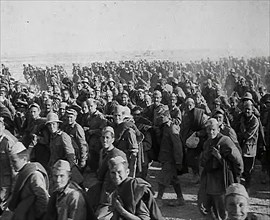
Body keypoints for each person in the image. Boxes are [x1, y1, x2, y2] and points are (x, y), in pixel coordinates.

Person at [200, 118, 243, 220]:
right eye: (209, 129)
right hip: (210, 181)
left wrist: (219, 157)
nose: (211, 132)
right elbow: (203, 162)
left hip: (222, 181)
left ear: (218, 129)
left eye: (213, 129)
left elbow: (237, 160)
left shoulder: (225, 141)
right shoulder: (207, 143)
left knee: (223, 210)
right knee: (211, 210)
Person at [8, 142, 49, 220]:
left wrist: (37, 215)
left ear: (24, 159)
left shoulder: (34, 175)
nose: (11, 164)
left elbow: (43, 198)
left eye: (14, 161)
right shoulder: (21, 173)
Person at [95, 126, 127, 219]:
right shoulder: (102, 152)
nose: (104, 140)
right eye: (103, 137)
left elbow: (123, 177)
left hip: (113, 196)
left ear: (113, 139)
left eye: (107, 138)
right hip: (103, 192)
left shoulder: (117, 154)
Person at [155, 108, 185, 207]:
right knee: (174, 179)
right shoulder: (163, 127)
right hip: (166, 158)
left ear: (167, 116)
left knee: (163, 179)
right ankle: (180, 199)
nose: (159, 118)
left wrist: (178, 161)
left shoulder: (171, 128)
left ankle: (159, 199)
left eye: (161, 116)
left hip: (170, 159)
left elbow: (177, 146)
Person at [237, 100, 259, 190]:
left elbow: (248, 135)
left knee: (248, 169)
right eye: (245, 109)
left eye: (249, 109)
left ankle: (248, 187)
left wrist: (241, 129)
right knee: (240, 167)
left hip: (250, 147)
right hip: (242, 146)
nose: (247, 111)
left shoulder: (254, 121)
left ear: (252, 110)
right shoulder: (242, 118)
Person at [0, 117, 17, 215]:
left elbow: (14, 168)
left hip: (6, 183)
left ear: (3, 127)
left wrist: (14, 190)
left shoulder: (8, 142)